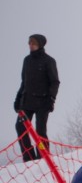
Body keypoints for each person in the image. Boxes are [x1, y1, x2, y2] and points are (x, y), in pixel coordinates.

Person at [14, 33, 59, 162]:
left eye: (33, 43)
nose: (30, 45)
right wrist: (17, 99)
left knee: (40, 130)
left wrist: (51, 99)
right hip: (26, 101)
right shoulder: (26, 60)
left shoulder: (49, 61)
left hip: (43, 102)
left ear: (40, 44)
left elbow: (55, 82)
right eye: (29, 43)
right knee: (20, 127)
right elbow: (24, 82)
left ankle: (43, 157)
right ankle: (28, 158)